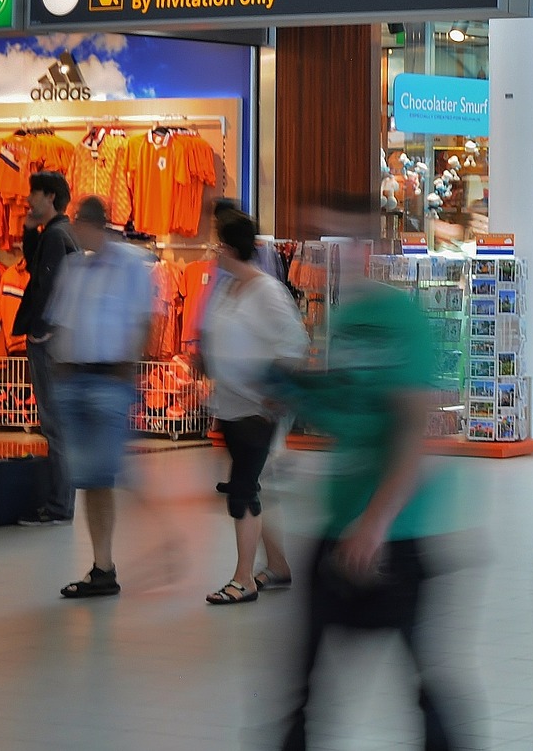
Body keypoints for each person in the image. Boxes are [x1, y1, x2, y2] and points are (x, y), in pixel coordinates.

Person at [271, 195, 460, 751]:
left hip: (397, 532)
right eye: (329, 243)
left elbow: (412, 429)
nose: (340, 255)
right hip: (341, 521)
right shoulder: (342, 319)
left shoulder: (403, 318)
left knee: (424, 682)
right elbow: (348, 415)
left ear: (372, 248)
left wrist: (376, 523)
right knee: (303, 683)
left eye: (350, 242)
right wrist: (290, 389)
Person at [47, 196, 153, 598]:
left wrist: (130, 369)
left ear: (93, 223)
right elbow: (62, 320)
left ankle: (161, 540)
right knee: (91, 479)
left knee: (110, 473)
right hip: (76, 380)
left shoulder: (130, 264)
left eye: (79, 224)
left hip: (109, 380)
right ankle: (102, 566)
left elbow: (144, 319)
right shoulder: (76, 268)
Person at [200, 209, 305, 606]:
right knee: (252, 488)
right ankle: (277, 564)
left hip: (256, 410)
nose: (214, 252)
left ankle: (243, 578)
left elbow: (293, 343)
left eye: (217, 245)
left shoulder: (266, 291)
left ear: (229, 248)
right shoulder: (228, 289)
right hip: (229, 406)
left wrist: (275, 394)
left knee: (243, 493)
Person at [16, 170, 80, 527]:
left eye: (34, 194)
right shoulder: (58, 234)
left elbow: (48, 286)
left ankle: (59, 505)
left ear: (50, 197)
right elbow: (36, 268)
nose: (28, 200)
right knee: (57, 423)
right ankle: (60, 502)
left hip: (49, 341)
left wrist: (41, 331)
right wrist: (28, 227)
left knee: (54, 423)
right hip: (59, 339)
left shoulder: (57, 236)